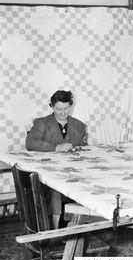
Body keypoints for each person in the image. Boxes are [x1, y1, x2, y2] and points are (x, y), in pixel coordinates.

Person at [26, 90, 87, 229]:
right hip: (49, 175)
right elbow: (30, 143)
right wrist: (56, 148)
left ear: (71, 106)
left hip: (73, 172)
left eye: (66, 108)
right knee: (55, 188)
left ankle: (78, 226)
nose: (62, 112)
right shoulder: (41, 123)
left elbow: (83, 148)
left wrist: (79, 150)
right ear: (51, 106)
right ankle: (54, 230)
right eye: (58, 109)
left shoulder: (79, 125)